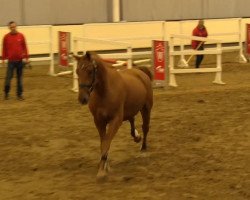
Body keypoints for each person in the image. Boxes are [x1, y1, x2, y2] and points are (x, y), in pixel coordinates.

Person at [2, 21, 29, 100]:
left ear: (16, 27)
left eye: (14, 27)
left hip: (20, 61)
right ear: (9, 28)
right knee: (8, 78)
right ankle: (6, 93)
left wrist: (27, 58)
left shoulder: (21, 36)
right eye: (11, 27)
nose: (13, 28)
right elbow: (4, 49)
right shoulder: (6, 37)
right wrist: (3, 59)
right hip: (11, 62)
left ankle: (19, 95)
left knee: (19, 79)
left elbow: (25, 47)